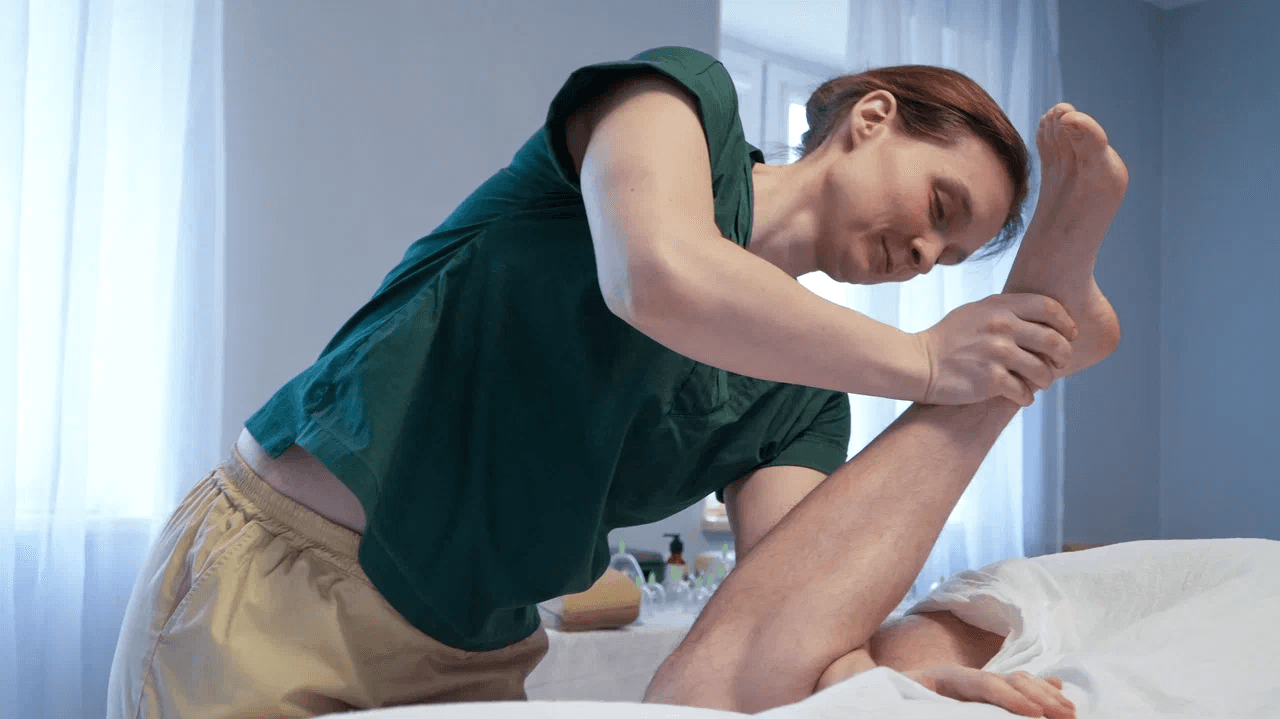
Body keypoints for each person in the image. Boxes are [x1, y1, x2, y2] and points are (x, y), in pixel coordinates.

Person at [106, 44, 1125, 718]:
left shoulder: (804, 393)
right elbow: (657, 276)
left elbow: (784, 618)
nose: (924, 255)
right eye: (940, 207)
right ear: (871, 116)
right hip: (285, 593)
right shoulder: (678, 107)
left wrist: (890, 686)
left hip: (470, 654)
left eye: (950, 258)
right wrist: (928, 362)